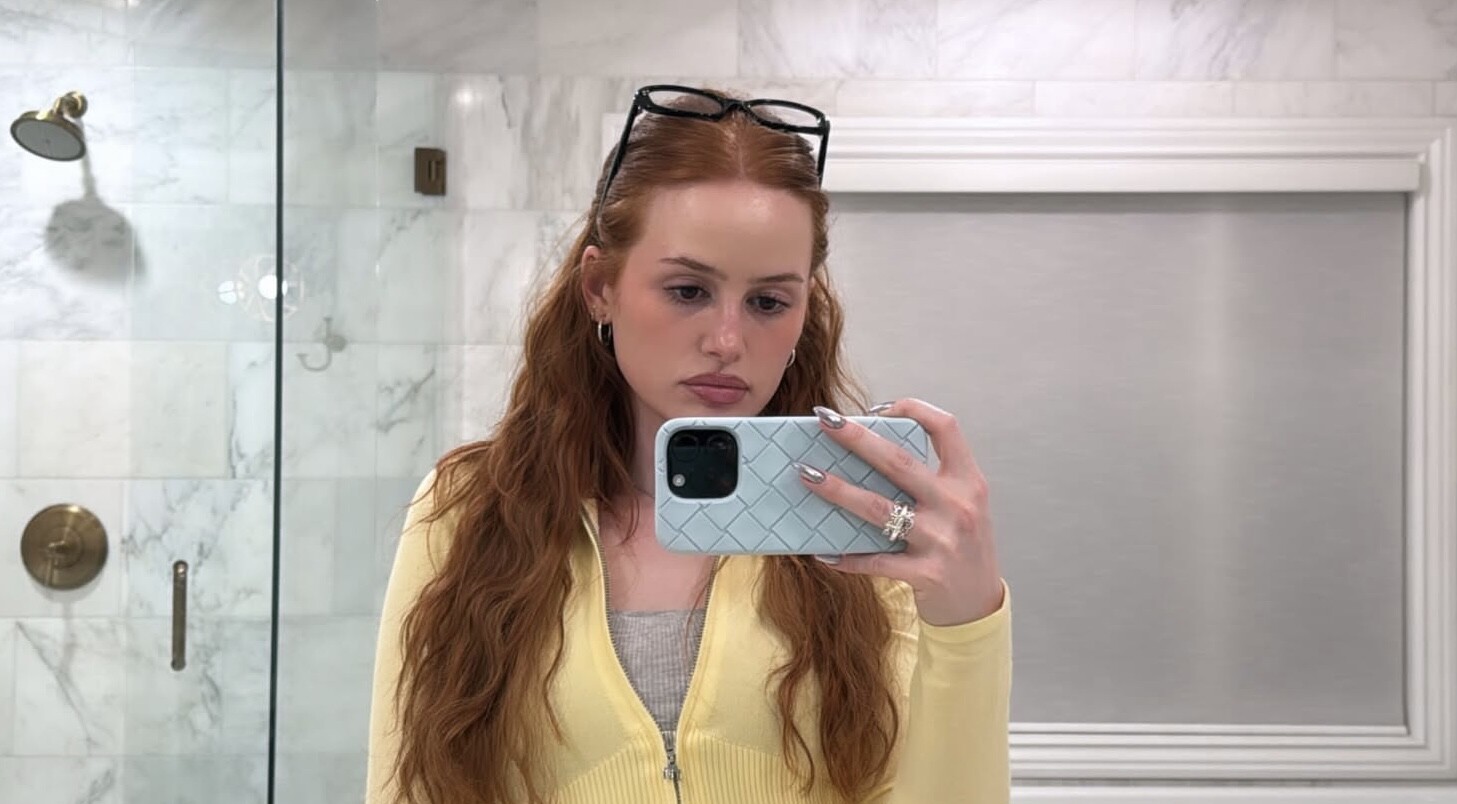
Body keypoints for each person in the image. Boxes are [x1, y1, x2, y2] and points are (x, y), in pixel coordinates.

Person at [367, 85, 1012, 804]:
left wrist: (969, 625)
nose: (727, 341)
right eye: (687, 291)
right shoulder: (469, 510)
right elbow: (407, 786)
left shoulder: (859, 519)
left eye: (768, 301)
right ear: (599, 286)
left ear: (804, 310)